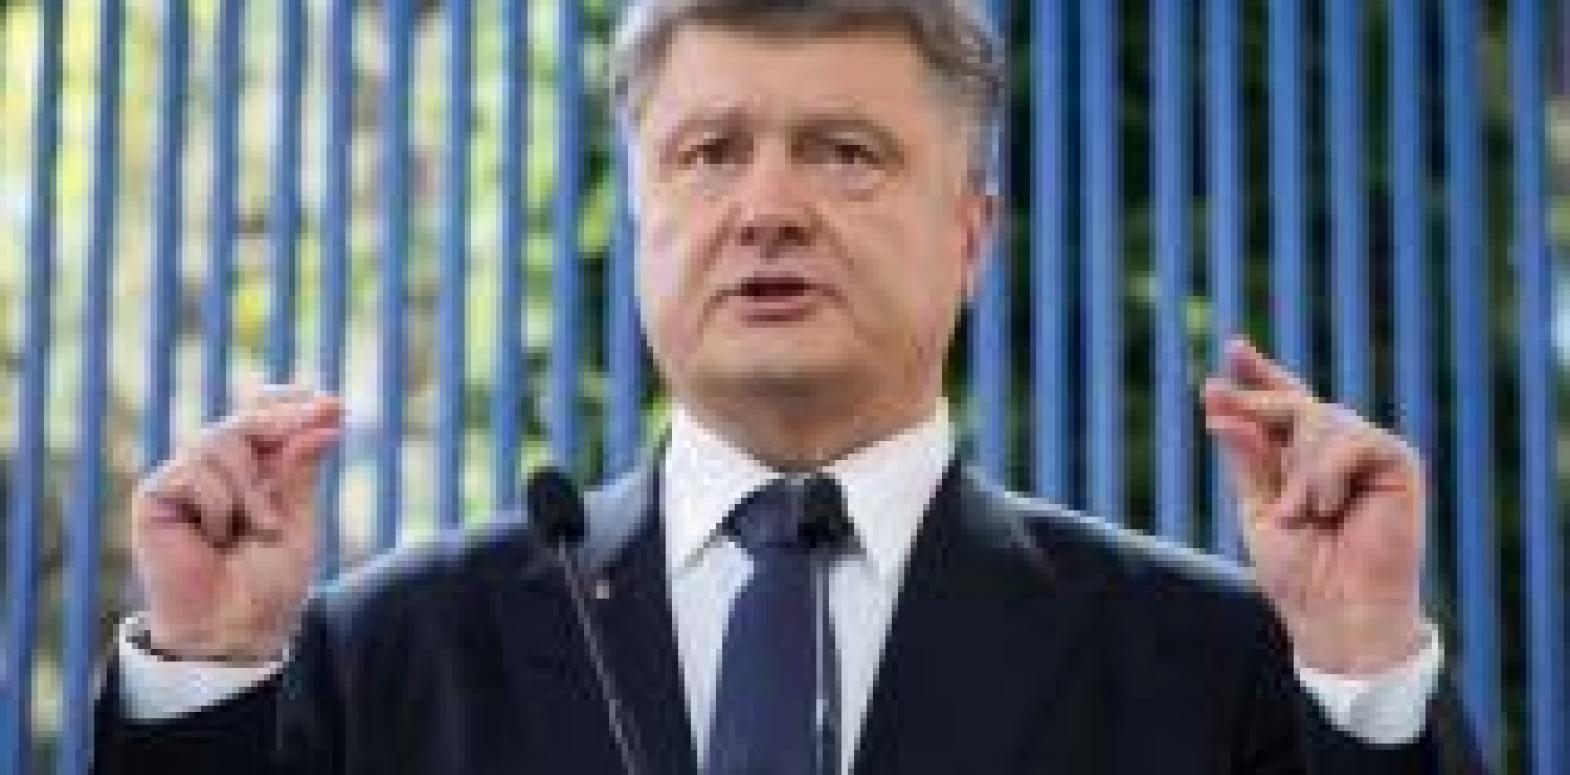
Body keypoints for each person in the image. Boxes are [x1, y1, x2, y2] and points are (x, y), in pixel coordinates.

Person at [94, 1, 1485, 772]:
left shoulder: (1205, 659)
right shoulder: (390, 654)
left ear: (970, 236)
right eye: (708, 154)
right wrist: (208, 679)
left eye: (843, 153)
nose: (766, 209)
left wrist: (1362, 668)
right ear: (644, 216)